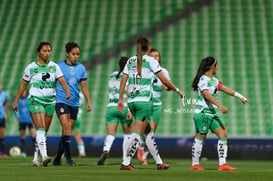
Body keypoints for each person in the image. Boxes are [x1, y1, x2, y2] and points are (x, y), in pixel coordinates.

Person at [118, 37, 185, 170]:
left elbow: (123, 80)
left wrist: (121, 100)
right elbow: (164, 80)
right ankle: (126, 162)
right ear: (148, 47)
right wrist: (178, 90)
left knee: (148, 132)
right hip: (144, 102)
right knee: (137, 132)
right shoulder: (150, 61)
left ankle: (159, 162)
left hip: (132, 101)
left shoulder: (130, 60)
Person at [13, 42, 70, 166]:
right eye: (44, 51)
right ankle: (44, 156)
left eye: (49, 50)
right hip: (35, 100)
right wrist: (16, 100)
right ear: (38, 52)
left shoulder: (54, 66)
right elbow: (23, 84)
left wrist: (67, 91)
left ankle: (35, 158)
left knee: (43, 133)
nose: (47, 53)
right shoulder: (31, 67)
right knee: (40, 128)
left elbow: (61, 80)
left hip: (50, 101)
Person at [191, 56, 248, 171]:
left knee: (223, 134)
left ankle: (222, 164)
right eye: (217, 65)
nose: (218, 67)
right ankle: (195, 164)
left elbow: (226, 89)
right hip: (203, 113)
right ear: (213, 67)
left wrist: (240, 96)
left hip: (212, 113)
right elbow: (206, 94)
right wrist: (220, 105)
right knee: (201, 136)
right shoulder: (203, 79)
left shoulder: (214, 80)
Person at [53, 42, 92, 166]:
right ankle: (69, 159)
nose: (76, 56)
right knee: (67, 128)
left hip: (74, 103)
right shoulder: (58, 66)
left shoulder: (81, 68)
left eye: (78, 54)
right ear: (67, 54)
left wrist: (89, 102)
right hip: (61, 101)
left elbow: (84, 86)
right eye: (73, 54)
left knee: (66, 131)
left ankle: (57, 158)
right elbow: (52, 82)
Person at [137, 48, 171, 165]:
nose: (156, 57)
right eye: (153, 56)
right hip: (146, 103)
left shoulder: (164, 72)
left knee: (151, 133)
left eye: (157, 55)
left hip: (157, 104)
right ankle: (141, 152)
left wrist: (167, 87)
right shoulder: (145, 71)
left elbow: (168, 85)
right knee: (146, 131)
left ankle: (143, 154)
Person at [97, 57, 133, 166]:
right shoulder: (129, 77)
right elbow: (129, 93)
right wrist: (130, 110)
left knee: (111, 134)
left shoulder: (112, 75)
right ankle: (124, 159)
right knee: (127, 135)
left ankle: (106, 150)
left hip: (111, 107)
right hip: (124, 107)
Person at [15, 89, 36, 157]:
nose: (23, 93)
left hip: (30, 120)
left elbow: (33, 108)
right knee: (22, 137)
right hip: (22, 121)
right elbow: (15, 109)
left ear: (26, 92)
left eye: (24, 91)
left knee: (33, 136)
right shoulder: (18, 100)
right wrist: (17, 116)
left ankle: (37, 151)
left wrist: (33, 117)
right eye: (22, 91)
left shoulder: (29, 99)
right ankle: (23, 152)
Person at [73, 92, 86, 157]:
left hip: (71, 116)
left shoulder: (72, 93)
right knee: (78, 136)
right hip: (79, 116)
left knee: (66, 135)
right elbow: (82, 105)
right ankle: (82, 151)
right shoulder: (81, 95)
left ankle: (62, 153)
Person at [0, 81, 9, 157]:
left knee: (2, 135)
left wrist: (7, 116)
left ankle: (2, 152)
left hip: (2, 117)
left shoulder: (4, 94)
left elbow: (5, 105)